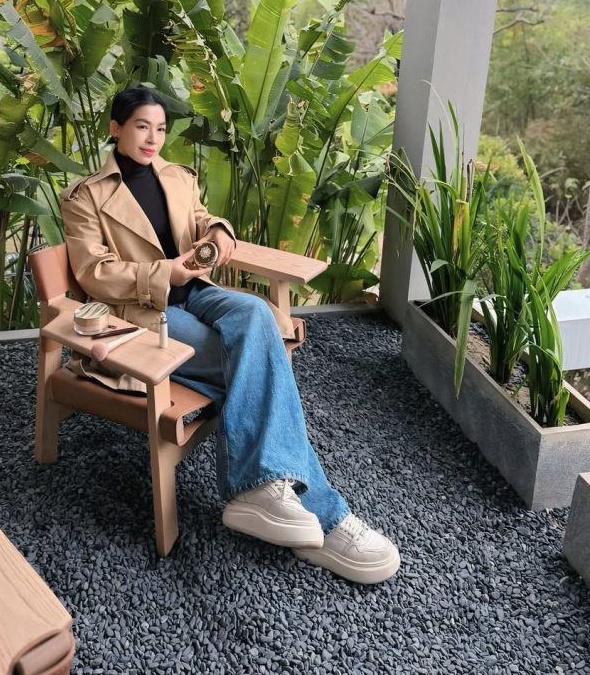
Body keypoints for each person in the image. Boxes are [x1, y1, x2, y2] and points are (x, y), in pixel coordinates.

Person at [61, 86, 400, 584]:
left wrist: (219, 232)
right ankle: (325, 521)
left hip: (197, 292)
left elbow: (200, 219)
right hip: (146, 312)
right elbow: (94, 273)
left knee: (256, 315)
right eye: (141, 126)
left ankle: (261, 494)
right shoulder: (86, 197)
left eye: (160, 128)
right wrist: (165, 273)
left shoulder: (177, 177)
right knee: (259, 362)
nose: (153, 138)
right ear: (116, 128)